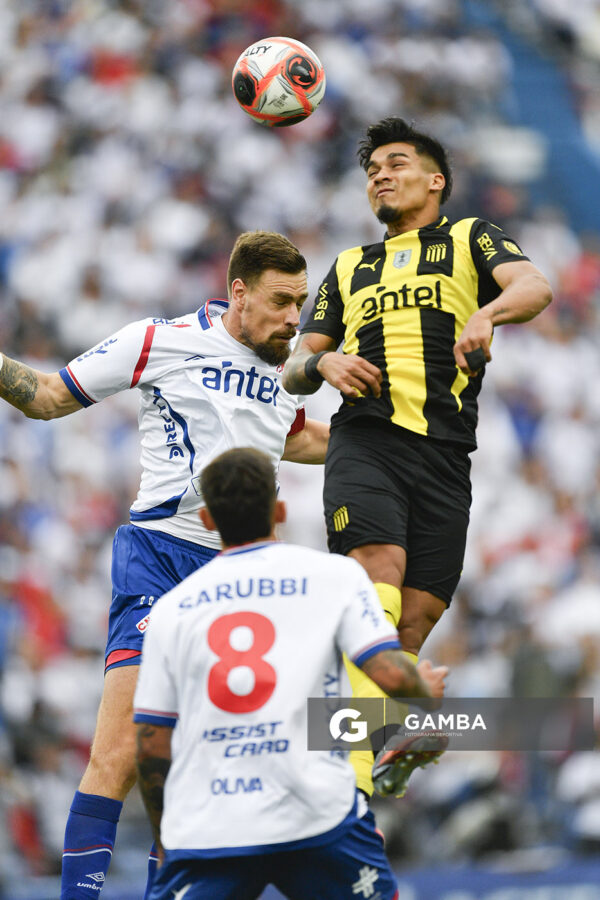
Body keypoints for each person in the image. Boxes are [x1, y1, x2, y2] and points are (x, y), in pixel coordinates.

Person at [0, 230, 329, 900]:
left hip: (241, 575)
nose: (293, 318)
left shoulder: (283, 368)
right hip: (162, 560)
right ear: (239, 293)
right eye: (281, 301)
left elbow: (297, 439)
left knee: (198, 771)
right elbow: (48, 396)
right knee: (123, 753)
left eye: (300, 302)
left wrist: (406, 436)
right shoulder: (159, 339)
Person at [282, 116, 553, 799]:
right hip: (365, 439)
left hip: (447, 456)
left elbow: (534, 287)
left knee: (414, 621)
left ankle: (375, 736)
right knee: (377, 577)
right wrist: (324, 362)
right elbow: (294, 367)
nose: (381, 175)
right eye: (373, 169)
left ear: (435, 181)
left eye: (396, 163)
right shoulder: (350, 267)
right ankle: (346, 781)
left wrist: (488, 313)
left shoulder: (470, 238)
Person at [133, 447, 448, 900]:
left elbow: (151, 742)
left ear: (207, 519)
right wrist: (424, 690)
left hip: (211, 827)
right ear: (278, 510)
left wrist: (166, 841)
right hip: (317, 817)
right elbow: (390, 673)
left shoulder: (172, 610)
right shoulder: (336, 576)